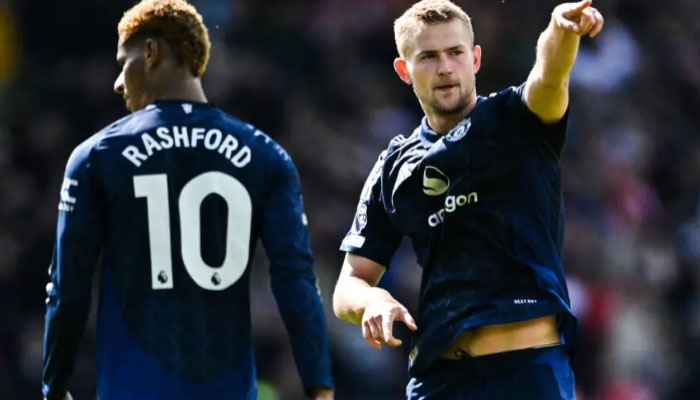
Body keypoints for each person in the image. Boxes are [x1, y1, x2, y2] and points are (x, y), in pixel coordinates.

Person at [41, 1, 334, 399]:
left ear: (150, 53)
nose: (117, 82)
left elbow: (68, 288)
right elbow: (297, 281)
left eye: (122, 61)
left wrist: (54, 386)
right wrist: (320, 386)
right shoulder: (266, 155)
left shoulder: (97, 156)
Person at [333, 0, 604, 398]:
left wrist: (560, 32)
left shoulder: (516, 119)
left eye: (455, 53)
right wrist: (373, 300)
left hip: (526, 372)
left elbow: (549, 77)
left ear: (474, 59)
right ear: (403, 70)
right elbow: (348, 285)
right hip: (439, 380)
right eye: (428, 56)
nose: (445, 67)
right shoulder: (394, 166)